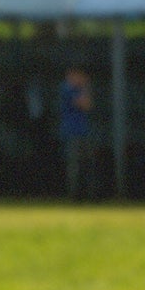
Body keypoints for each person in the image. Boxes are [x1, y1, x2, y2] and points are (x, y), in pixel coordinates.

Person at [60, 65, 96, 200]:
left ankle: (88, 195)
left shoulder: (77, 88)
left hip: (83, 131)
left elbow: (89, 105)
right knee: (73, 165)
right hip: (71, 132)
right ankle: (74, 196)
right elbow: (84, 104)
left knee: (87, 163)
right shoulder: (66, 88)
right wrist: (86, 87)